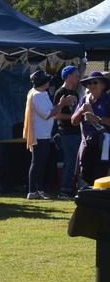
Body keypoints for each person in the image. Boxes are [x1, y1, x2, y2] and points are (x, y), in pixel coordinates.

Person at [22, 70, 59, 200]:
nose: (49, 82)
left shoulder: (41, 93)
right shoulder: (37, 95)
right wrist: (61, 105)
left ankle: (38, 189)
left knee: (40, 162)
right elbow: (47, 114)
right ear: (43, 82)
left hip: (44, 134)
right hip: (39, 134)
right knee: (37, 163)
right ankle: (34, 190)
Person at [73, 71, 110, 188]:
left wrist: (98, 119)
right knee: (84, 172)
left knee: (101, 171)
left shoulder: (108, 100)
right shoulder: (84, 100)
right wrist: (80, 110)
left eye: (95, 82)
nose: (92, 85)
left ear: (103, 85)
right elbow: (73, 121)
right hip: (87, 142)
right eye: (89, 83)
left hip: (104, 143)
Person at [52, 65, 83, 200]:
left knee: (75, 161)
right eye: (76, 75)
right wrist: (72, 117)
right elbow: (56, 115)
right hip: (66, 132)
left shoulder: (75, 93)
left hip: (76, 131)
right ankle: (64, 190)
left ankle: (72, 187)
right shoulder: (61, 92)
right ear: (69, 76)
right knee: (70, 161)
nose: (78, 78)